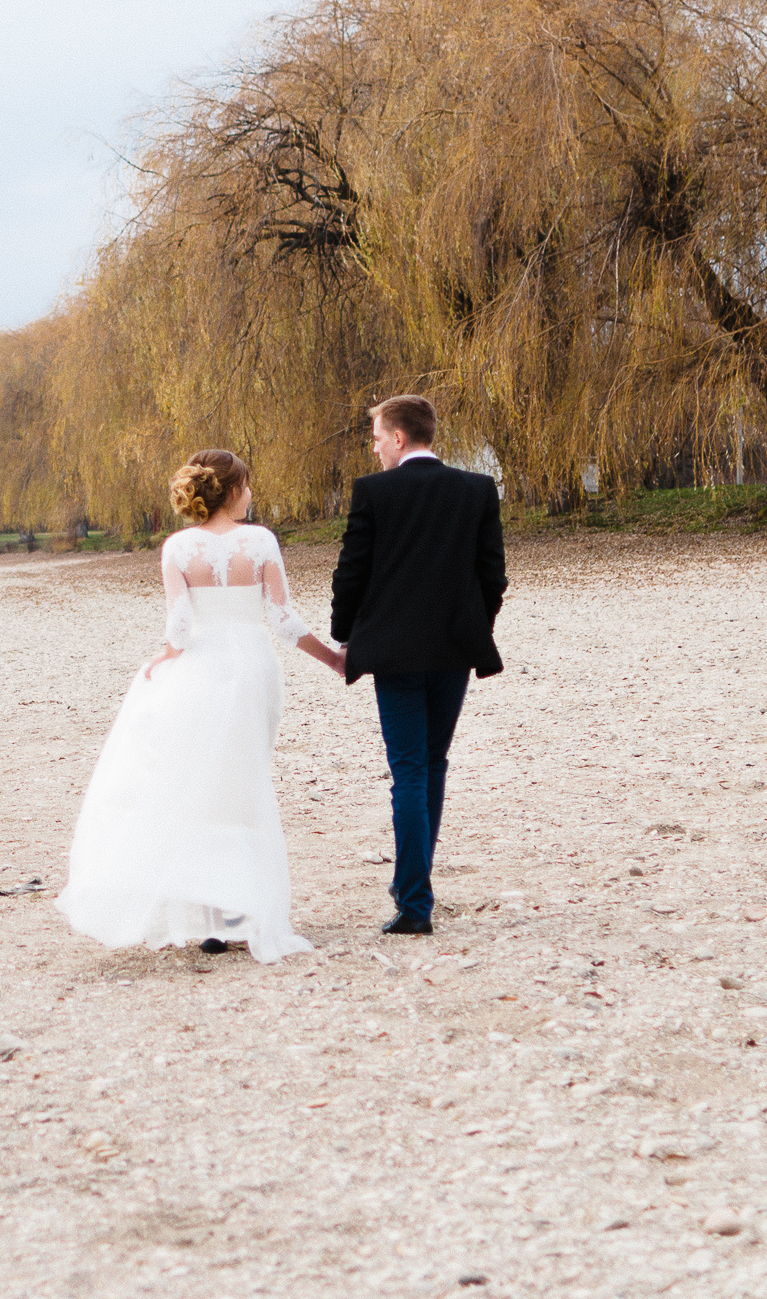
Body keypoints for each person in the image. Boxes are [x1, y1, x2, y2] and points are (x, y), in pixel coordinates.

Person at [55, 450, 345, 962]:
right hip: (252, 666)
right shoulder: (259, 541)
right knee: (245, 779)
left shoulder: (176, 547)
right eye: (247, 485)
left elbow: (180, 626)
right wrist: (335, 661)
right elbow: (282, 620)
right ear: (233, 490)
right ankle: (244, 907)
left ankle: (215, 918)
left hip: (201, 669)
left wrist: (166, 657)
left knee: (203, 781)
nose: (250, 494)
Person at [329, 395, 507, 936]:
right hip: (454, 649)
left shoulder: (373, 492)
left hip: (394, 654)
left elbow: (351, 574)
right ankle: (414, 888)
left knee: (408, 768)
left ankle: (414, 903)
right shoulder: (477, 489)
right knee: (432, 764)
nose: (375, 445)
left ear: (400, 438)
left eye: (378, 436)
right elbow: (492, 576)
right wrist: (473, 625)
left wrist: (346, 635)